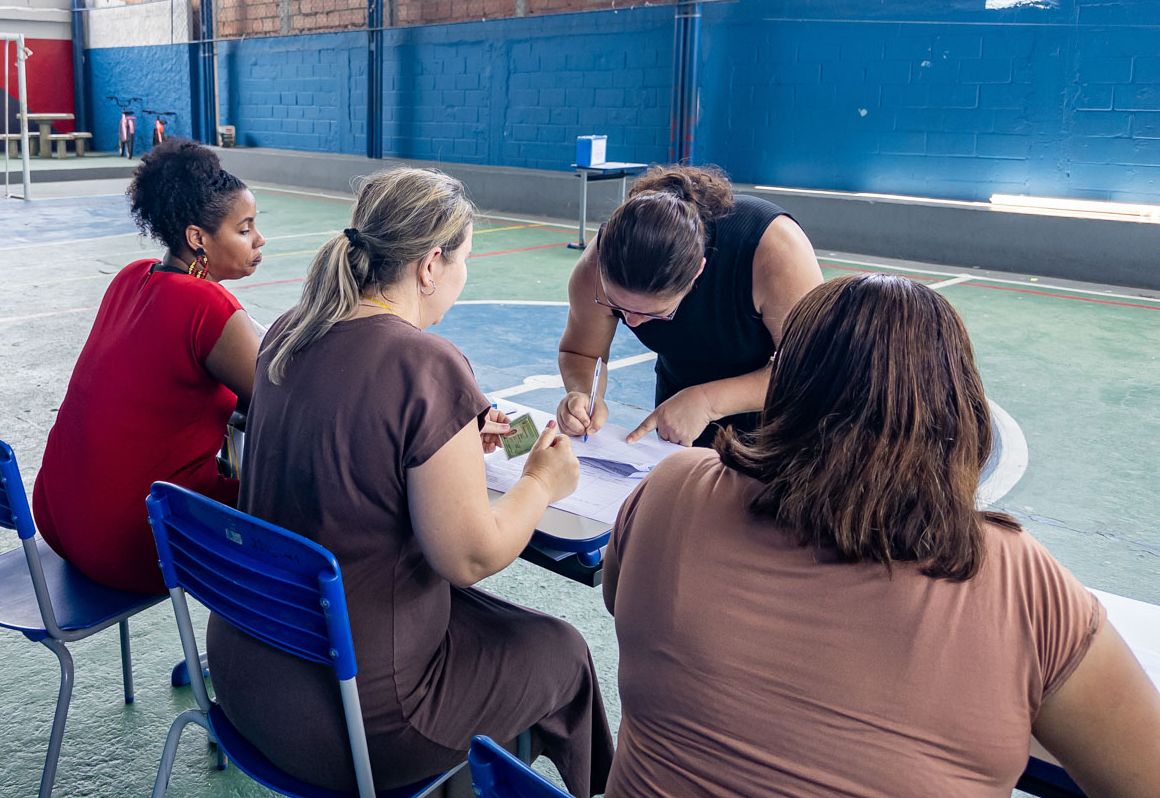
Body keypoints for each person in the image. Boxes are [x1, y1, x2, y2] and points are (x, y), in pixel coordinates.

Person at [603, 273, 1160, 798]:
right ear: (959, 407)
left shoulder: (674, 487)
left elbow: (618, 596)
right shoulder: (1019, 581)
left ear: (787, 391)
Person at [206, 168, 614, 797]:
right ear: (429, 266)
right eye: (463, 259)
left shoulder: (289, 330)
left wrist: (445, 442)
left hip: (248, 676)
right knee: (563, 653)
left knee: (495, 635)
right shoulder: (424, 364)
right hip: (353, 725)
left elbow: (343, 447)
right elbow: (468, 558)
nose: (462, 274)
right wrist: (540, 479)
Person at [32, 139, 265, 594]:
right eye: (245, 229)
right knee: (303, 496)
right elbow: (286, 401)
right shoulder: (206, 305)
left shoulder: (130, 277)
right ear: (198, 238)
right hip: (135, 545)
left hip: (59, 518)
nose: (259, 240)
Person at [556, 165, 822, 449]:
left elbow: (813, 370)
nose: (631, 321)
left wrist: (707, 401)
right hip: (680, 394)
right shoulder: (598, 262)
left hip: (780, 405)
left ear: (697, 273)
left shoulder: (775, 251)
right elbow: (581, 352)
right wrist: (584, 394)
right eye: (616, 305)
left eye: (653, 313)